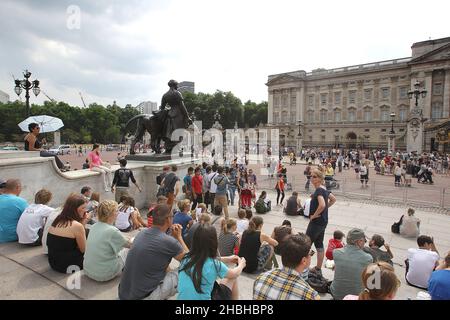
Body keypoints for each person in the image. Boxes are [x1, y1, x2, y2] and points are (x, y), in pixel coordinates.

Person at [118, 204, 189, 300]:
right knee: (186, 270)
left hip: (123, 293)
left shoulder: (142, 233)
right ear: (168, 219)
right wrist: (179, 237)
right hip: (143, 297)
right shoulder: (169, 241)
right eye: (173, 216)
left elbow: (161, 251)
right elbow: (190, 261)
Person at [178, 225, 246, 300]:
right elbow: (235, 273)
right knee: (233, 278)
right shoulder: (214, 265)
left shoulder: (185, 258)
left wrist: (228, 259)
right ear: (213, 243)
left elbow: (202, 260)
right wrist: (241, 264)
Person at [253, 233, 320, 300]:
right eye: (311, 253)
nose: (311, 255)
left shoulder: (261, 278)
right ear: (304, 261)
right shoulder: (310, 295)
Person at [84, 200, 132, 282]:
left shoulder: (94, 226)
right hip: (104, 274)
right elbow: (131, 245)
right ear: (111, 214)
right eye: (116, 211)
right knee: (128, 249)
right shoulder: (112, 231)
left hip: (88, 270)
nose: (118, 213)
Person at [47, 194, 88, 273]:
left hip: (53, 263)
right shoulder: (77, 226)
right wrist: (83, 223)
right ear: (74, 209)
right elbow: (84, 250)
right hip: (70, 266)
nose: (85, 210)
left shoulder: (58, 220)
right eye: (83, 208)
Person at [330, 228, 373, 300]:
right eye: (364, 240)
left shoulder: (336, 252)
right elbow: (373, 283)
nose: (365, 243)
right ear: (359, 241)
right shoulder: (368, 258)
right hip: (356, 296)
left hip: (336, 293)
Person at [306, 169, 337, 271]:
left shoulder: (319, 190)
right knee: (319, 244)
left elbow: (322, 204)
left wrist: (314, 215)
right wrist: (324, 209)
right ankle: (318, 268)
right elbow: (333, 199)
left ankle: (305, 267)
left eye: (314, 176)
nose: (312, 178)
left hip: (316, 222)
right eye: (311, 176)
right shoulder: (324, 189)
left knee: (306, 244)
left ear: (319, 179)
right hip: (323, 221)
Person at [159, 80, 192, 153]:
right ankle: (176, 148)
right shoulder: (177, 93)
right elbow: (182, 106)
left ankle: (168, 148)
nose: (177, 86)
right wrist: (187, 116)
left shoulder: (165, 95)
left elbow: (162, 108)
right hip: (178, 114)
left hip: (170, 114)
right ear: (174, 85)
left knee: (170, 131)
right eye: (177, 85)